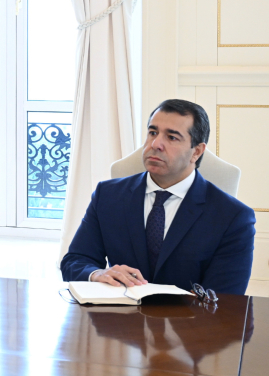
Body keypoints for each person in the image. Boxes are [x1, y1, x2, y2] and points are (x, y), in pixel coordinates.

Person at [61, 99, 255, 295]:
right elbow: (74, 261)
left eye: (172, 137)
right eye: (153, 133)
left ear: (196, 152)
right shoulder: (108, 196)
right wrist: (97, 274)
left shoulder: (233, 217)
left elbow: (223, 298)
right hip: (120, 312)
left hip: (189, 315)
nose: (155, 144)